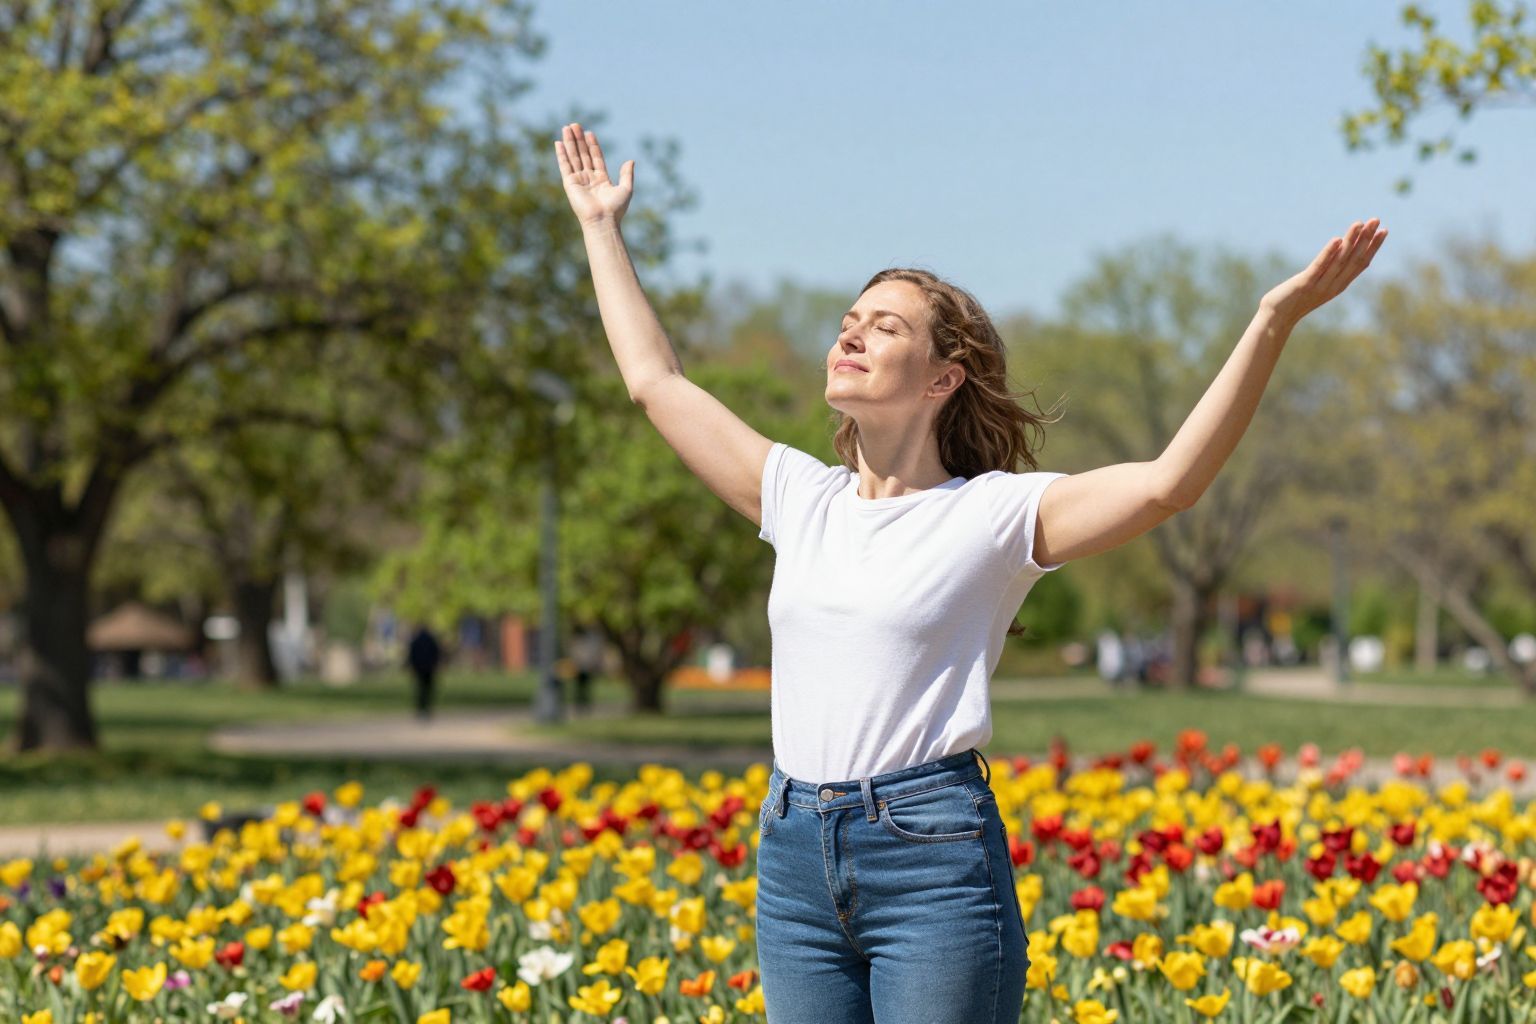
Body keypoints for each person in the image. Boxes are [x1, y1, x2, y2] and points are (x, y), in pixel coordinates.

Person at [555, 121, 1386, 1024]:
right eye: (848, 324)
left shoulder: (991, 514)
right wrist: (602, 226)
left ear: (943, 378)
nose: (852, 336)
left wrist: (1271, 321)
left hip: (931, 858)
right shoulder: (800, 497)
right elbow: (656, 382)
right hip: (792, 853)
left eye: (885, 326)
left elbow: (1165, 486)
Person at [405, 625, 442, 721]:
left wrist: (411, 666)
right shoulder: (431, 640)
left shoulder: (416, 641)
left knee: (420, 689)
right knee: (428, 689)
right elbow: (436, 654)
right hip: (429, 668)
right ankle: (427, 709)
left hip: (419, 668)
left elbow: (411, 655)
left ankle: (421, 709)